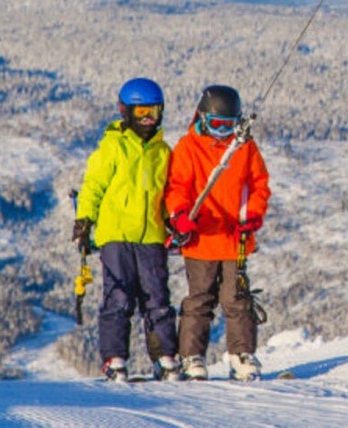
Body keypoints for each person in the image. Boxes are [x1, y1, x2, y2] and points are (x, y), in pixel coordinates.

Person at [73, 77, 181, 382]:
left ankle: (164, 356)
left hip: (151, 236)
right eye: (141, 112)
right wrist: (84, 220)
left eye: (154, 112)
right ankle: (114, 358)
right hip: (117, 235)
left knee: (156, 298)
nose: (148, 119)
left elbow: (168, 192)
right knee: (119, 297)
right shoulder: (113, 148)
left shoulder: (162, 152)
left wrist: (173, 219)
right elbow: (93, 185)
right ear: (126, 112)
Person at [164, 84, 271, 381]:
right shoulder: (188, 147)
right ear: (202, 118)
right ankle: (191, 356)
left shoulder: (244, 147)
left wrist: (252, 215)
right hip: (201, 240)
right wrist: (180, 215)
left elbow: (259, 185)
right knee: (200, 299)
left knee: (237, 299)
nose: (223, 133)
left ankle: (241, 354)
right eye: (216, 126)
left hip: (235, 238)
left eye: (229, 126)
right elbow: (177, 187)